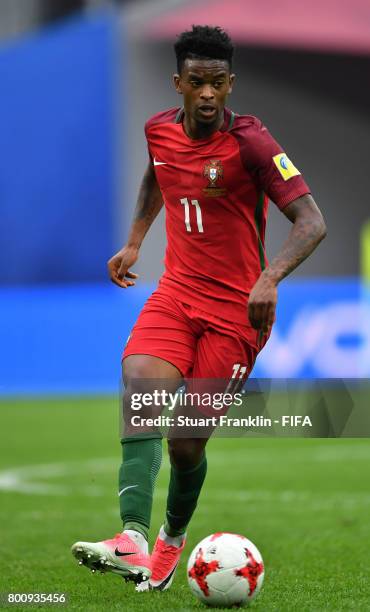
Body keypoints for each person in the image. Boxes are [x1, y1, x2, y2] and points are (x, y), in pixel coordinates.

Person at [72, 25, 326, 591]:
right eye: (196, 83)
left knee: (186, 443)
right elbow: (156, 176)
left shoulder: (253, 143)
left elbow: (312, 222)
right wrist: (137, 239)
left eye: (217, 83)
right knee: (141, 381)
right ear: (178, 84)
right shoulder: (158, 130)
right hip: (177, 293)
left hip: (238, 312)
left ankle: (170, 539)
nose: (207, 94)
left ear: (230, 84)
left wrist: (270, 277)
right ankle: (132, 539)